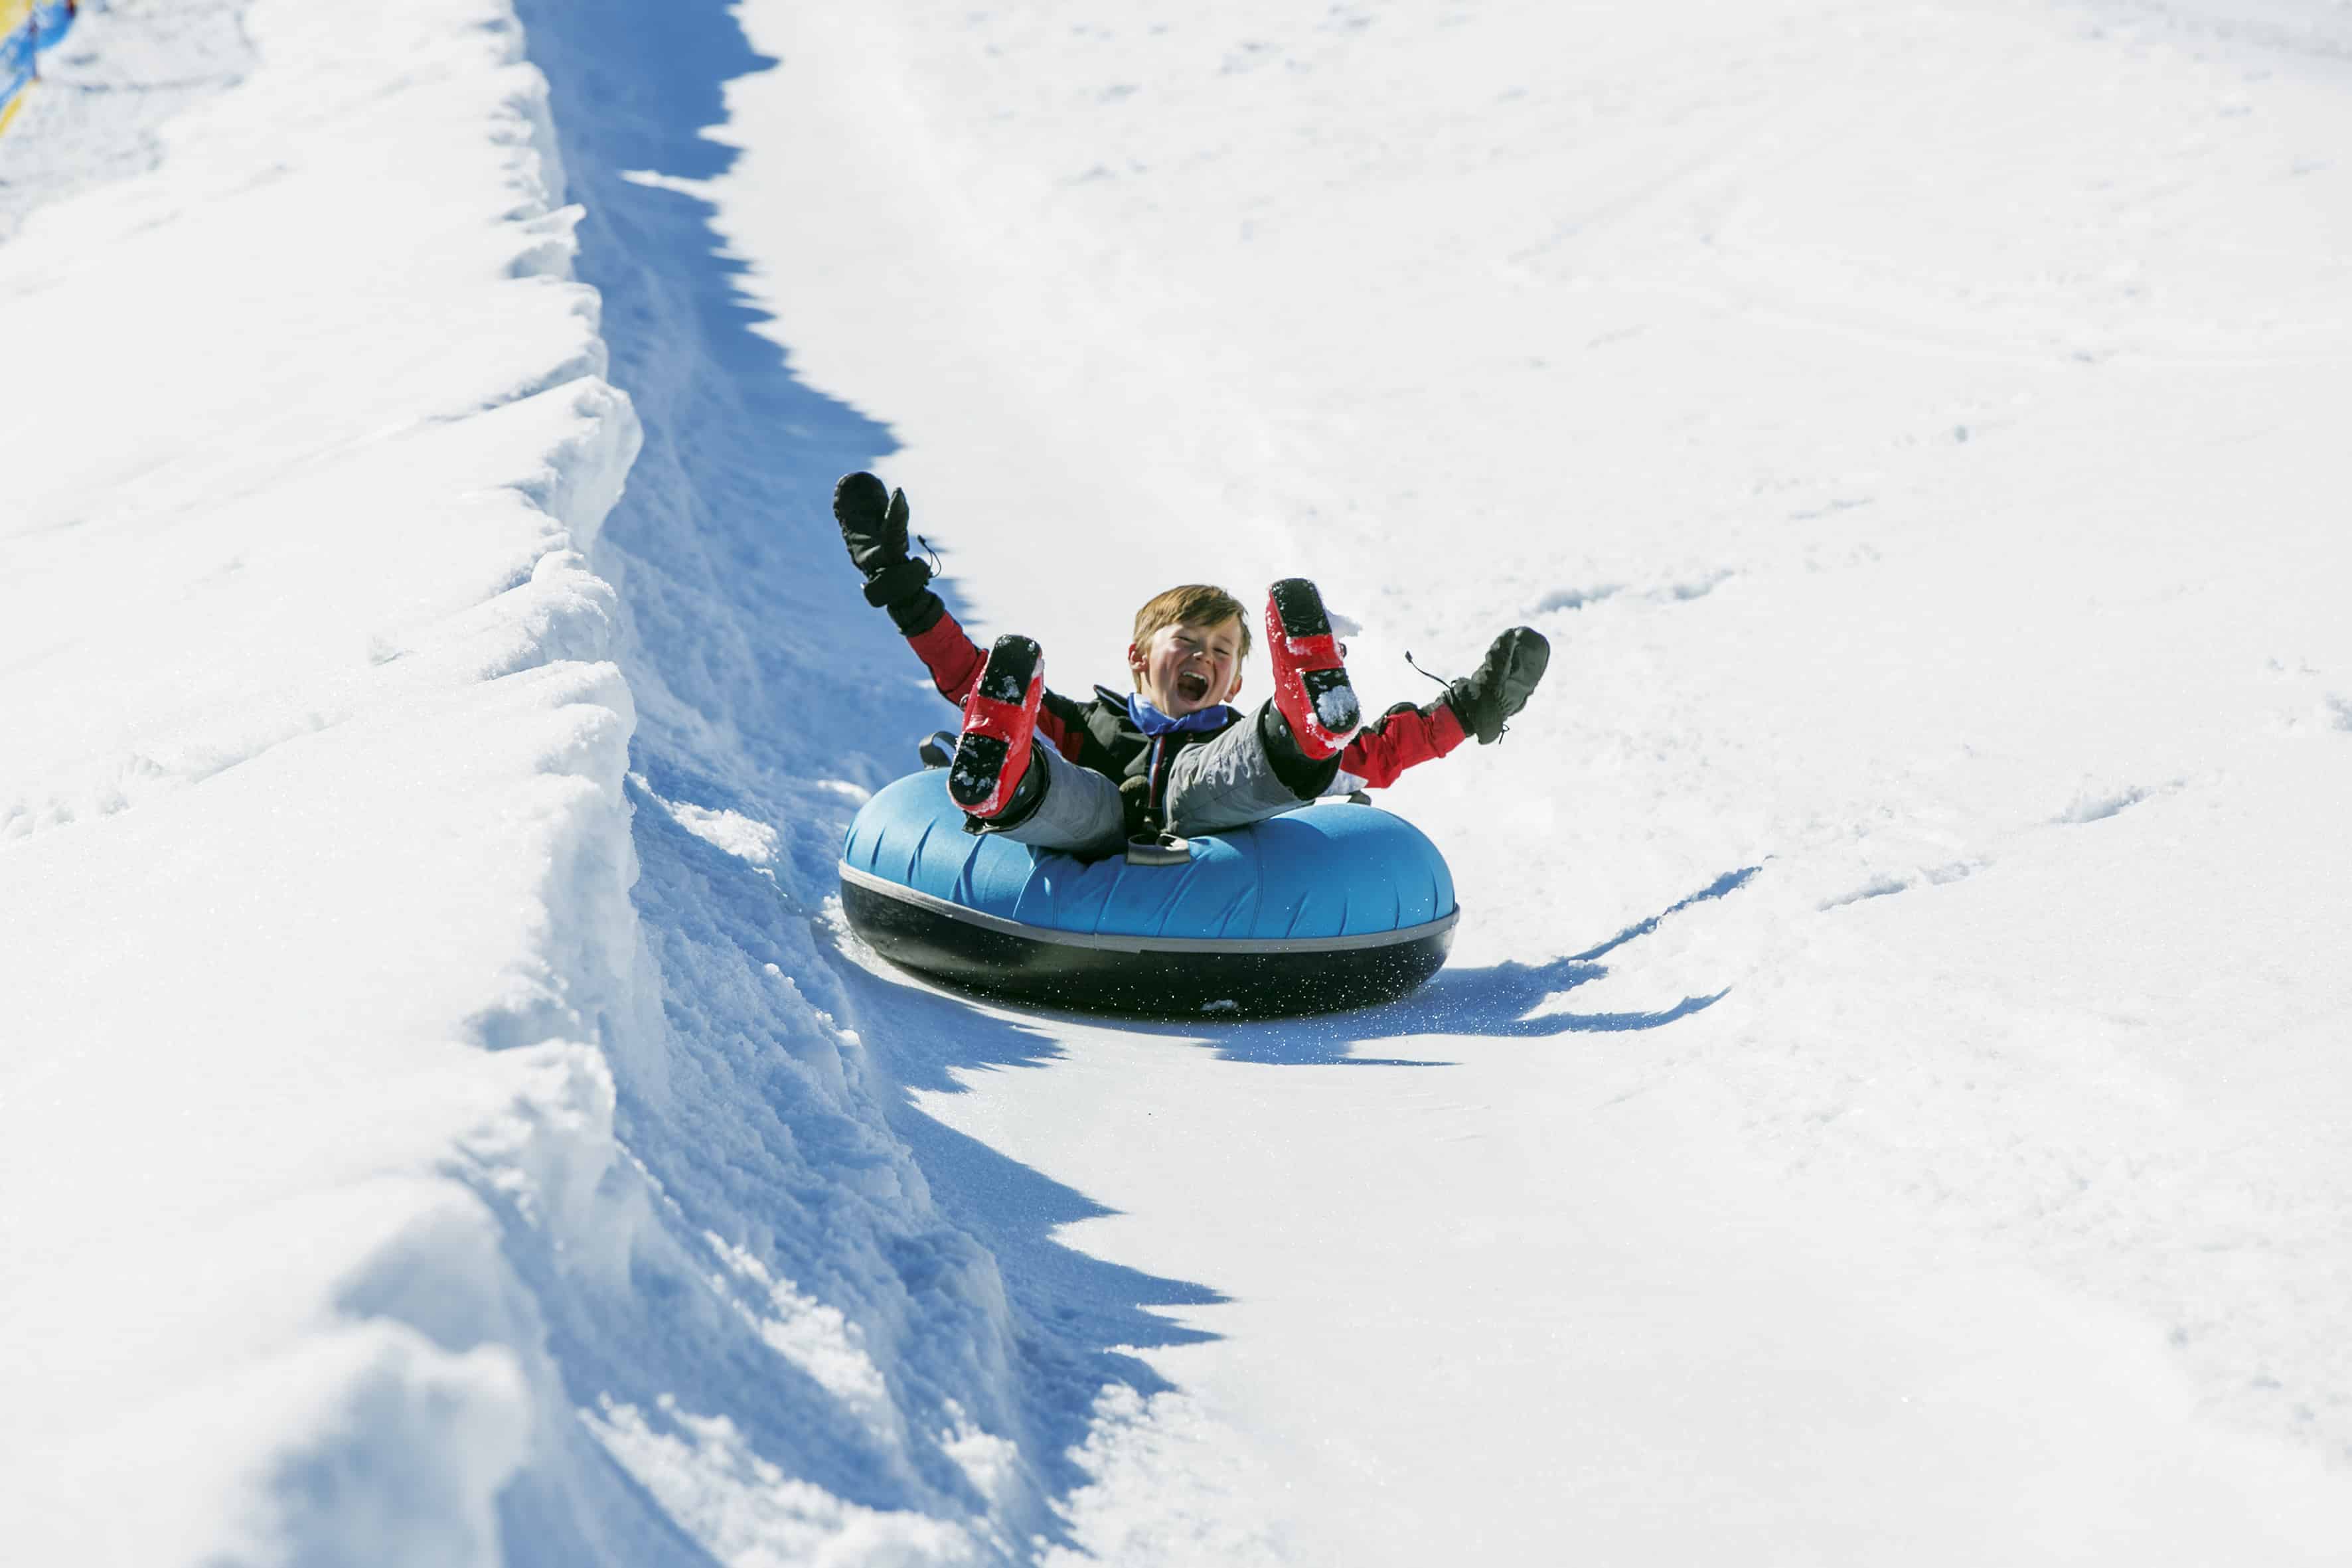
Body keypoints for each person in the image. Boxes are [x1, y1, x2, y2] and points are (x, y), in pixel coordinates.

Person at [834, 471, 1549, 857]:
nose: (1204, 657)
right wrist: (904, 592)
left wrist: (1475, 706)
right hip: (1096, 823)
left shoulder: (1229, 733)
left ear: (1238, 679)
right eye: (1188, 641)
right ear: (1139, 656)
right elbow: (966, 675)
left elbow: (1384, 755)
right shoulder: (1091, 722)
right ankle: (1000, 778)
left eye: (1223, 651)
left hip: (1209, 814)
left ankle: (1303, 718)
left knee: (1232, 770)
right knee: (1072, 797)